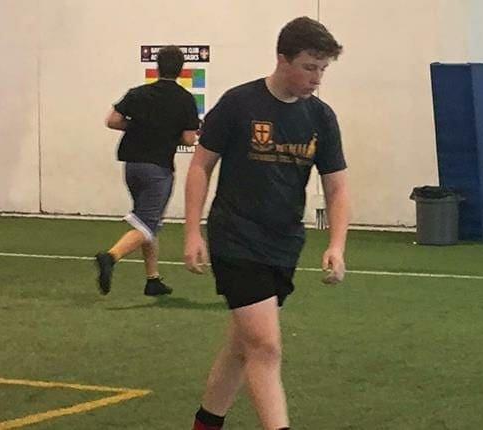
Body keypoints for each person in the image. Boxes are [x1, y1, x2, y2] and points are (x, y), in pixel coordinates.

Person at [184, 17, 348, 430]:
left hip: (284, 243)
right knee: (266, 347)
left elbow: (337, 187)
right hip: (236, 237)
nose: (317, 78)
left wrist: (336, 245)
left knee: (241, 346)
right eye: (310, 67)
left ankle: (205, 424)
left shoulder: (321, 117)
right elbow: (200, 166)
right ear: (282, 59)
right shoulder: (239, 104)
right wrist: (191, 231)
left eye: (323, 69)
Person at [92, 46, 201, 296]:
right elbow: (187, 139)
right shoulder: (184, 99)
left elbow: (113, 121)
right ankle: (111, 256)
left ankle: (153, 279)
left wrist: (138, 128)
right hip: (158, 168)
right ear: (181, 70)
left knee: (147, 221)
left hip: (132, 166)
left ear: (158, 67)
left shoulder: (138, 94)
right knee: (147, 223)